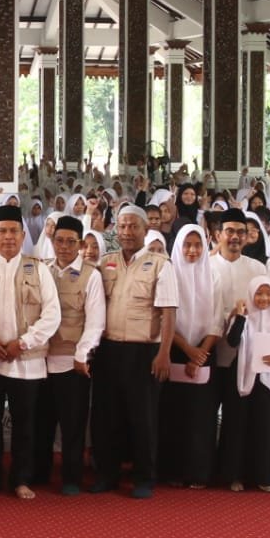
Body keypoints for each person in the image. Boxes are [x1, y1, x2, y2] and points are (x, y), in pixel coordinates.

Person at [0, 203, 61, 499]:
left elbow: (52, 314)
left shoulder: (39, 268)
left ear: (22, 235)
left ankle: (21, 479)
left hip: (26, 360)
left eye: (13, 231)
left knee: (25, 424)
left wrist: (24, 342)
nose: (8, 237)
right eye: (2, 231)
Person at [90, 206, 177, 500]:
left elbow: (168, 312)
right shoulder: (106, 262)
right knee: (106, 416)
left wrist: (164, 353)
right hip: (108, 349)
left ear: (144, 230)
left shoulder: (160, 264)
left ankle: (144, 477)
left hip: (144, 351)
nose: (127, 232)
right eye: (123, 227)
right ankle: (107, 474)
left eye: (133, 227)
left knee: (143, 418)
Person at [42, 215, 103, 496]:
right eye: (59, 241)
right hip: (41, 360)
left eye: (70, 242)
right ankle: (38, 473)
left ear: (80, 244)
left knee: (73, 425)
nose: (63, 247)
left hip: (72, 362)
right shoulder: (43, 270)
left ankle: (71, 478)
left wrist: (82, 355)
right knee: (42, 421)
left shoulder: (92, 275)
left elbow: (95, 322)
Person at [160, 224, 223, 489]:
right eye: (187, 245)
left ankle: (198, 472)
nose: (193, 250)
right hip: (174, 347)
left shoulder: (214, 275)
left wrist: (200, 353)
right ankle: (172, 470)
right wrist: (188, 350)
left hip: (205, 350)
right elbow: (165, 317)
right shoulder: (169, 275)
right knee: (173, 414)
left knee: (201, 416)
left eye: (198, 245)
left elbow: (217, 320)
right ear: (178, 246)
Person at [219, 279, 270, 492]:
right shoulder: (244, 318)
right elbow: (232, 341)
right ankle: (234, 476)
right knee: (236, 429)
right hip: (241, 378)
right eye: (259, 294)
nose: (264, 299)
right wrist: (239, 316)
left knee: (264, 429)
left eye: (269, 294)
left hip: (267, 381)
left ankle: (263, 477)